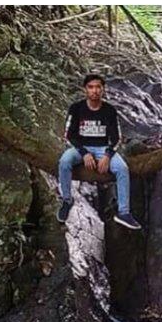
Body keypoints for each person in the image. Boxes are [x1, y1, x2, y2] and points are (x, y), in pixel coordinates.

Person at [57, 74, 140, 230]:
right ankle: (67, 200)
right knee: (64, 162)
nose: (94, 91)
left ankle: (123, 212)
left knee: (122, 169)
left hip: (102, 148)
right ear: (85, 90)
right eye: (91, 87)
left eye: (98, 87)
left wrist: (108, 156)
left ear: (103, 90)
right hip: (80, 147)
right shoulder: (76, 108)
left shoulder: (109, 110)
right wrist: (84, 153)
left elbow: (116, 138)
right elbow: (69, 135)